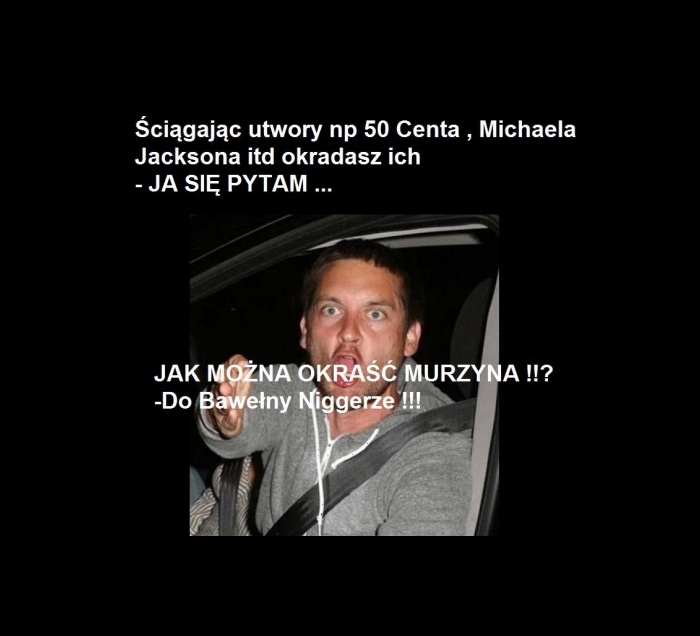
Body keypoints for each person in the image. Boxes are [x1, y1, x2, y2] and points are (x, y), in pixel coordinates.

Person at [196, 239, 472, 536]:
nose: (348, 332)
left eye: (375, 314)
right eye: (331, 310)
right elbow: (249, 413)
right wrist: (221, 413)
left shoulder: (433, 450)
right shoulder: (296, 388)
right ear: (305, 330)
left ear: (410, 338)